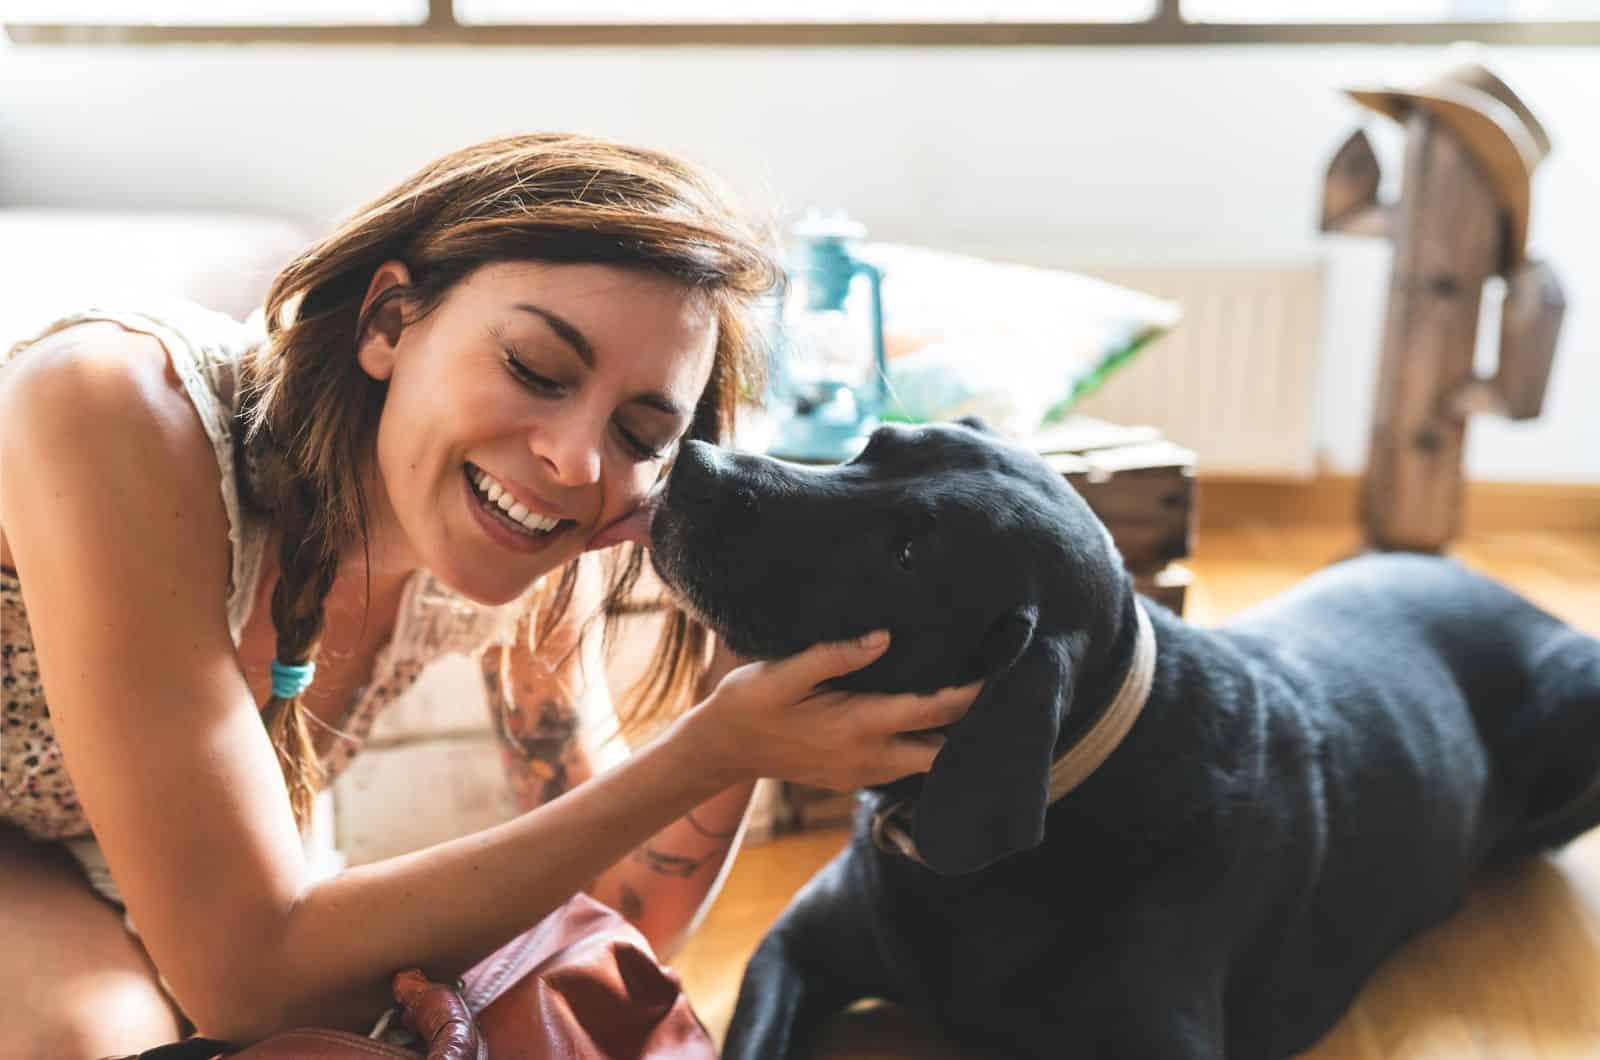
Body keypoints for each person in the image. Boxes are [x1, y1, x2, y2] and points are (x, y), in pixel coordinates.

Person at [0, 132, 978, 1056]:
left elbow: (615, 917)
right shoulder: (109, 404)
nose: (571, 457)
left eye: (640, 435)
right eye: (535, 368)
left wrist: (742, 685)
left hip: (119, 863)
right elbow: (245, 976)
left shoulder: (542, 524)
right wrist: (709, 750)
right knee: (97, 1037)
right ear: (390, 321)